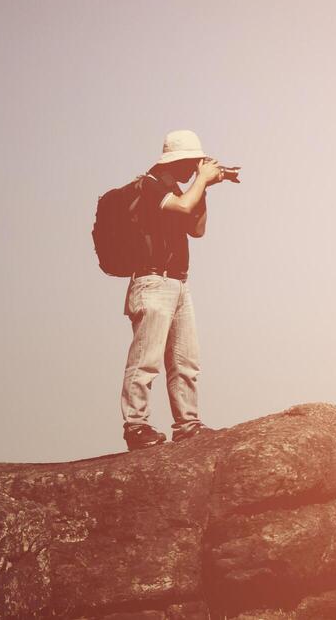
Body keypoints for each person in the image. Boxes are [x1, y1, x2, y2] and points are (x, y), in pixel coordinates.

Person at [119, 129, 236, 451]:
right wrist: (201, 183)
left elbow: (196, 229)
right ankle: (136, 426)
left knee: (186, 361)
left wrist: (206, 188)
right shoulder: (149, 186)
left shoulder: (179, 190)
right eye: (193, 162)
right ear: (178, 161)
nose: (195, 168)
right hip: (152, 282)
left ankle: (188, 424)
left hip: (178, 282)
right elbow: (184, 208)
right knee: (146, 360)